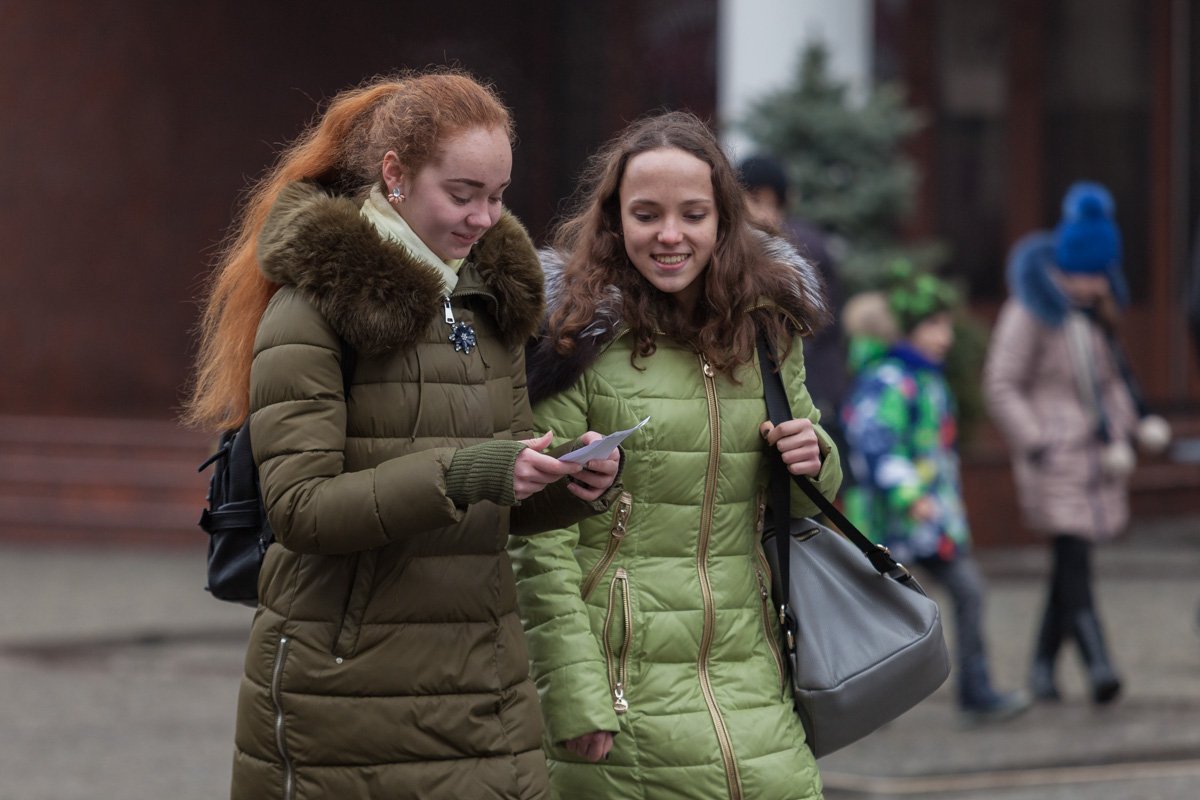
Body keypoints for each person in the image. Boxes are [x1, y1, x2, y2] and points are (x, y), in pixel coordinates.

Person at [183, 71, 624, 799]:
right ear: (395, 175)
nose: (484, 217)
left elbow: (500, 483)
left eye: (498, 195)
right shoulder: (312, 306)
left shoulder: (489, 299)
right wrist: (470, 472)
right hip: (350, 699)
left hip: (486, 688)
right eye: (462, 194)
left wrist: (572, 484)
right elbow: (299, 507)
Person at [511, 111, 842, 800]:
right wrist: (575, 696)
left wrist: (817, 454)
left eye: (693, 214)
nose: (669, 235)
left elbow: (809, 484)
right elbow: (537, 546)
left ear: (724, 219)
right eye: (646, 214)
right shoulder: (575, 336)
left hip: (753, 679)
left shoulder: (767, 329)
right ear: (613, 221)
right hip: (620, 692)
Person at [984, 181, 1152, 705]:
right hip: (1054, 454)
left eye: (1101, 275)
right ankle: (1099, 662)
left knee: (1068, 561)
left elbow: (1111, 383)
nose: (1092, 284)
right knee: (1075, 556)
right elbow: (1001, 383)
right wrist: (1037, 441)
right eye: (1084, 273)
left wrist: (1128, 429)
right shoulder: (1032, 309)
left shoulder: (1096, 317)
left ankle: (1040, 669)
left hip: (1094, 457)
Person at [840, 267, 1031, 725]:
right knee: (873, 612)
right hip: (888, 524)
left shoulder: (931, 381)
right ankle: (861, 701)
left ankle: (976, 690)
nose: (944, 336)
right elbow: (873, 441)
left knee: (968, 591)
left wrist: (943, 508)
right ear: (906, 330)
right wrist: (909, 494)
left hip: (933, 521)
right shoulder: (889, 380)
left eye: (946, 324)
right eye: (932, 325)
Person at [738, 154, 849, 482]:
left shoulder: (798, 247)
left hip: (805, 387)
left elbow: (811, 329)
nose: (761, 212)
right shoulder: (730, 245)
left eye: (769, 202)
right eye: (753, 200)